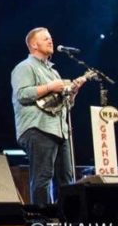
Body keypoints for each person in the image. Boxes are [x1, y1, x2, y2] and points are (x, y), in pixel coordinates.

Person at [11, 27, 88, 205]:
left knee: (66, 180)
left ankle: (67, 220)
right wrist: (50, 87)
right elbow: (22, 94)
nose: (50, 41)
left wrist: (73, 93)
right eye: (45, 38)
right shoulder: (24, 67)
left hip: (60, 130)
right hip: (38, 128)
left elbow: (64, 105)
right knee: (42, 177)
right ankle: (42, 221)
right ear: (33, 44)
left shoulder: (54, 72)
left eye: (50, 38)